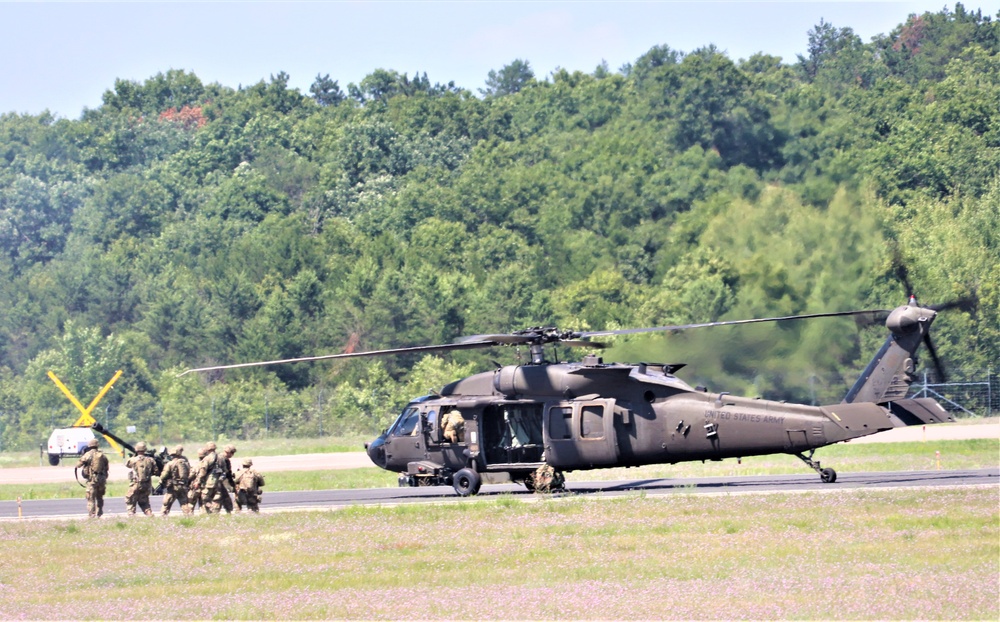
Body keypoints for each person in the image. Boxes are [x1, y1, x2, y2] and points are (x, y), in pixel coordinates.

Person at [75, 438, 109, 518]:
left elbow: (78, 465)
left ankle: (92, 514)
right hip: (101, 480)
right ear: (97, 445)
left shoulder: (88, 454)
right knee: (100, 497)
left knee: (91, 498)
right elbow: (106, 467)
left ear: (89, 445)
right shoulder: (102, 455)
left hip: (92, 480)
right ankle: (100, 511)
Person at [124, 441, 156, 516]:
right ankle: (149, 514)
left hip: (135, 483)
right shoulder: (150, 460)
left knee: (130, 499)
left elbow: (127, 465)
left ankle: (131, 514)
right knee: (144, 501)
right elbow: (155, 470)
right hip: (147, 484)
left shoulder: (133, 459)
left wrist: (133, 456)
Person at [160, 445, 192, 516]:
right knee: (184, 503)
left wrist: (161, 480)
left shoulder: (170, 464)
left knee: (166, 503)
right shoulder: (185, 462)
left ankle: (163, 516)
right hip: (182, 486)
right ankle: (188, 516)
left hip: (172, 487)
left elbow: (164, 475)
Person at [196, 441, 226, 514]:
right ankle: (215, 514)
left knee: (205, 499)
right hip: (218, 483)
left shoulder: (207, 458)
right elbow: (225, 471)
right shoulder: (221, 458)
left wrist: (198, 482)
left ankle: (209, 511)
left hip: (208, 483)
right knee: (217, 499)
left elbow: (203, 472)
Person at [218, 444, 237, 514]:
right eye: (232, 453)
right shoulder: (221, 459)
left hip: (218, 481)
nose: (232, 455)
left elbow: (228, 474)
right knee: (224, 499)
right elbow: (227, 473)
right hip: (217, 482)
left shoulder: (223, 459)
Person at [187, 446, 207, 513]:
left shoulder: (196, 465)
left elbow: (191, 476)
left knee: (190, 505)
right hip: (204, 487)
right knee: (203, 506)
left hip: (195, 488)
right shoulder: (209, 465)